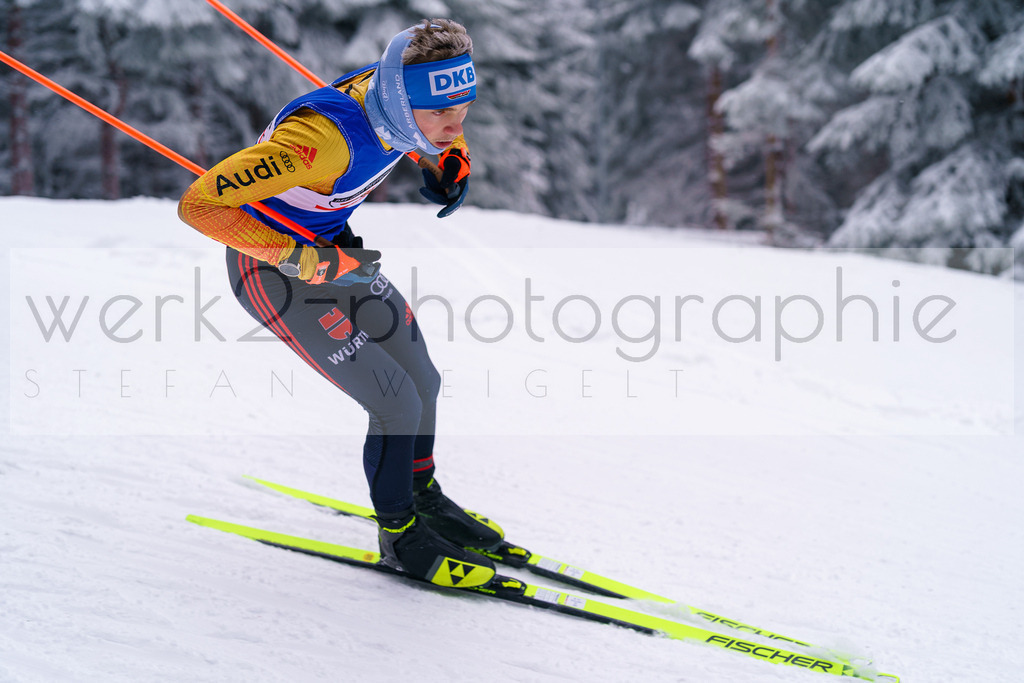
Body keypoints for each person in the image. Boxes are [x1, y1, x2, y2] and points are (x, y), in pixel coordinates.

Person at [177, 19, 502, 589]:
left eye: (464, 110)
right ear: (404, 103)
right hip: (272, 272)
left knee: (423, 380)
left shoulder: (399, 98)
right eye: (441, 115)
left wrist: (449, 158)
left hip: (336, 256)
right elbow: (199, 206)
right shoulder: (318, 144)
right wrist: (298, 259)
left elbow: (432, 125)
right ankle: (400, 535)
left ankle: (422, 495)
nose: (456, 126)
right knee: (395, 400)